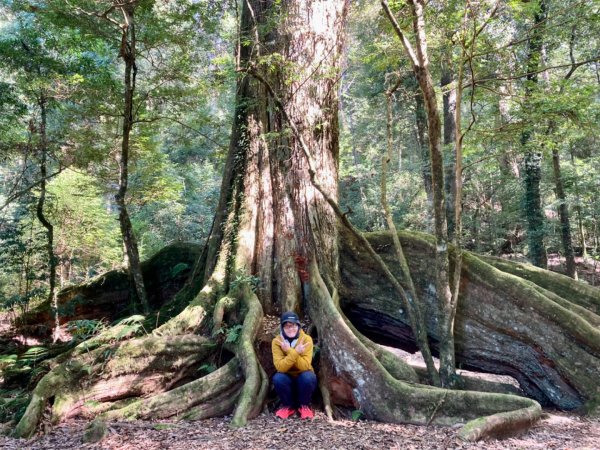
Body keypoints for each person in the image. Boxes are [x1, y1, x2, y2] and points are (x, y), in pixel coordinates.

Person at [271, 311, 317, 419]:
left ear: (298, 326)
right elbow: (280, 367)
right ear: (282, 328)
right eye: (287, 326)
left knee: (308, 377)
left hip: (303, 377)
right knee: (278, 378)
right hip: (286, 378)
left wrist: (289, 351)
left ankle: (304, 406)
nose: (291, 329)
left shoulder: (306, 340)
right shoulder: (277, 342)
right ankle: (288, 406)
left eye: (294, 325)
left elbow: (305, 366)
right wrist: (295, 352)